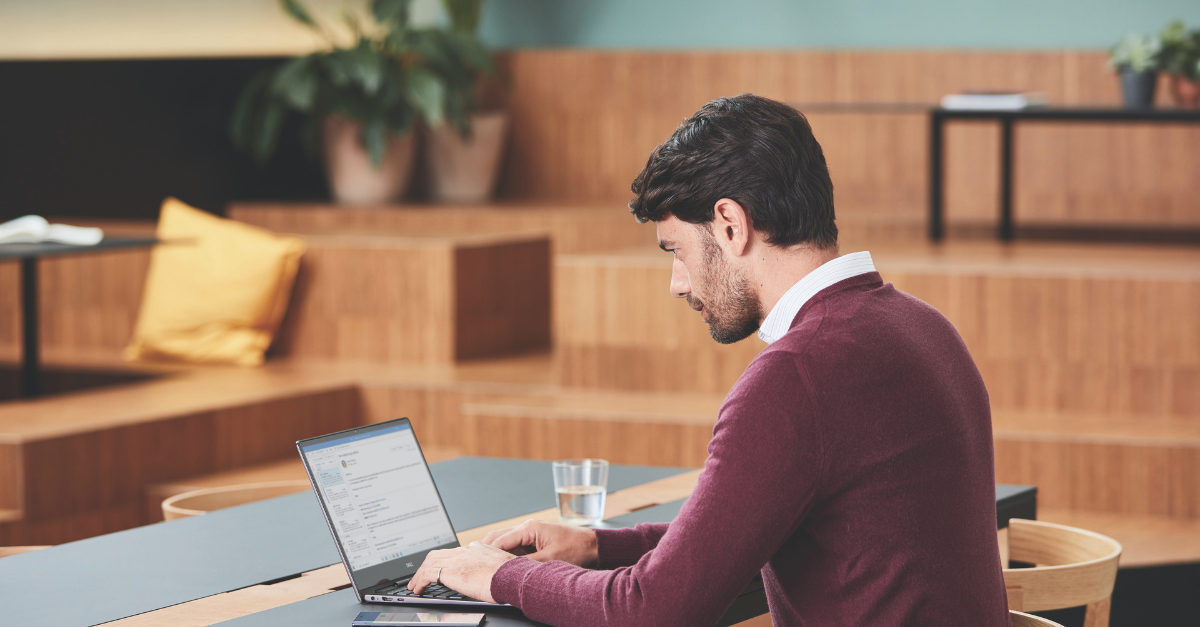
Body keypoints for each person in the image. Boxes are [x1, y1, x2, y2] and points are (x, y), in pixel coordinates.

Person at [409, 94, 1009, 626]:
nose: (677, 283)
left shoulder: (798, 376)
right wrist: (597, 548)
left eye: (676, 249)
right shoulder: (923, 327)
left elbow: (650, 611)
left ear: (729, 225)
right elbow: (759, 532)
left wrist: (496, 575)